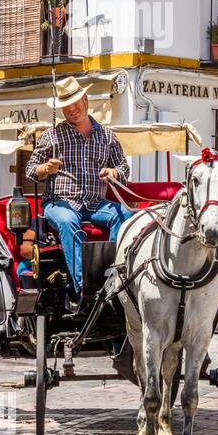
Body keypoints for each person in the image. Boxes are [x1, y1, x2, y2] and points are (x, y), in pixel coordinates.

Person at [24, 77, 133, 302]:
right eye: (66, 106)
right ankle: (84, 286)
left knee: (124, 216)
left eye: (75, 103)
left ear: (86, 100)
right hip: (59, 202)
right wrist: (46, 168)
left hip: (95, 204)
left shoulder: (108, 137)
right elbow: (31, 170)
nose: (72, 109)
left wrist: (113, 173)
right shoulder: (51, 136)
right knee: (67, 221)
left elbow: (124, 168)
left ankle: (113, 275)